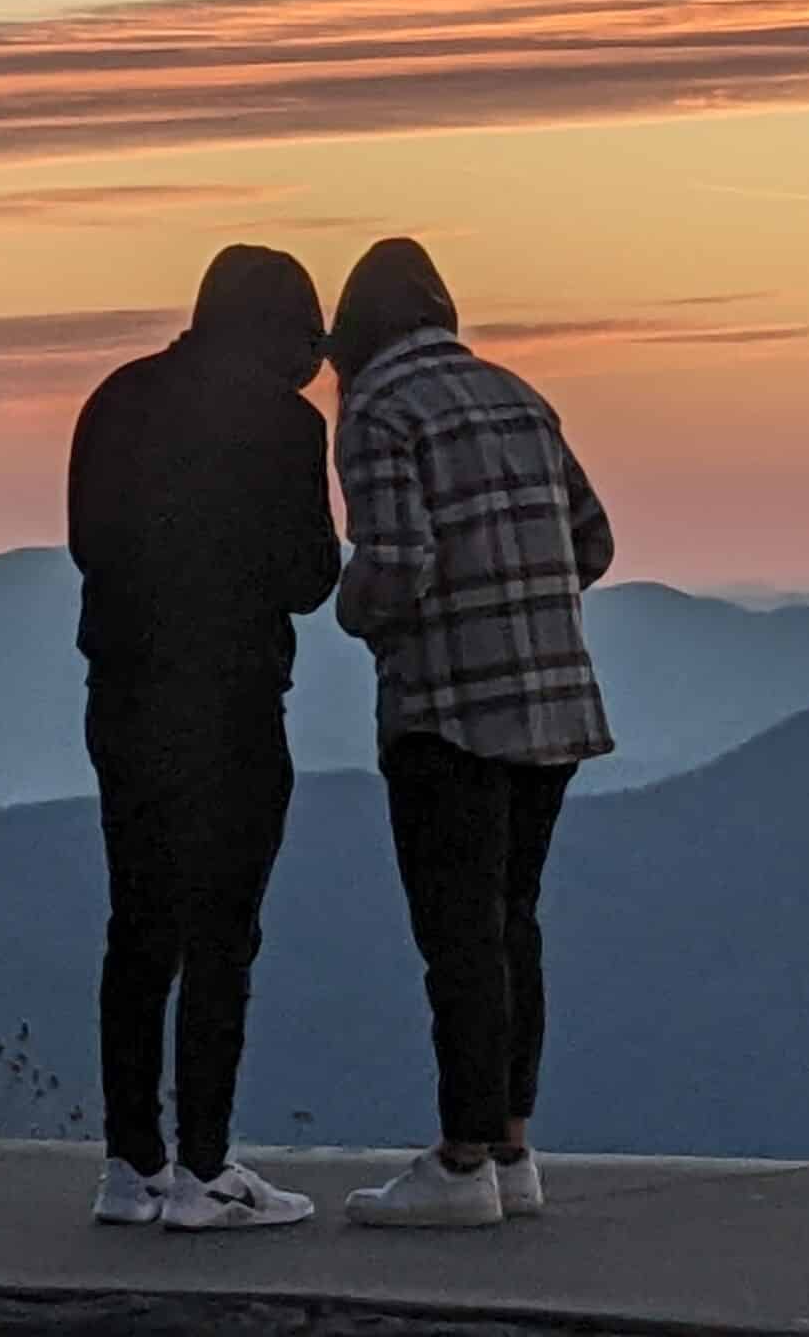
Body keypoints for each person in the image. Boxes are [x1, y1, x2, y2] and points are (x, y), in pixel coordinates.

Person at [326, 237, 615, 1229]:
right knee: (511, 922)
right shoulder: (517, 396)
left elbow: (395, 563)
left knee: (456, 938)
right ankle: (511, 1151)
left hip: (447, 710)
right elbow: (594, 538)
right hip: (553, 703)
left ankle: (459, 1167)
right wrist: (522, 603)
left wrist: (349, 609)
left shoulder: (377, 411)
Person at [67, 245, 341, 1232]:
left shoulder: (116, 399)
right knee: (222, 937)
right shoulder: (284, 424)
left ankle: (127, 1164)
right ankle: (206, 1169)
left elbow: (88, 546)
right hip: (231, 702)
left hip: (124, 697)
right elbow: (311, 578)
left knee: (138, 929)